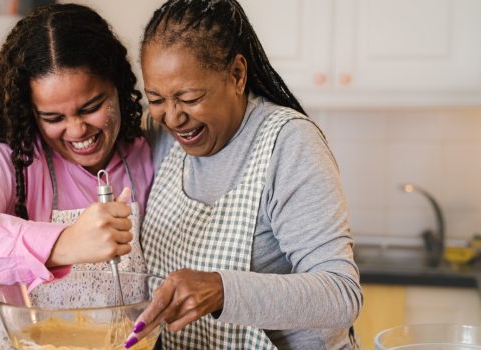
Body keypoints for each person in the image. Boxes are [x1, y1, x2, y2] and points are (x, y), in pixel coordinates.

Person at [0, 4, 153, 349]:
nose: (77, 129)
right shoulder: (8, 162)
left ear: (118, 84)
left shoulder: (146, 153)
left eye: (91, 107)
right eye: (53, 117)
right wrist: (63, 244)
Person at [124, 0, 363, 349]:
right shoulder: (160, 136)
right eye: (156, 98)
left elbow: (341, 296)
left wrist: (221, 289)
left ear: (237, 75)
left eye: (189, 97)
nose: (172, 117)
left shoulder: (287, 142)